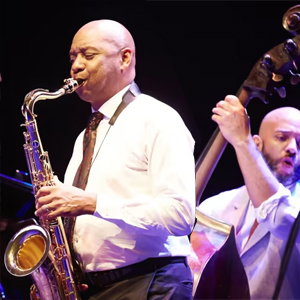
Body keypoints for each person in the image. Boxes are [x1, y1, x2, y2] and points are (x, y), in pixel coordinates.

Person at [34, 19, 195, 300]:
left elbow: (180, 216)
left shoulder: (158, 118)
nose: (76, 65)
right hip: (99, 288)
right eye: (73, 57)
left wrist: (90, 203)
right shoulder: (85, 135)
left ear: (125, 58)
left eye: (88, 55)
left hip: (151, 283)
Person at [197, 95, 300, 299]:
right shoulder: (217, 206)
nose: (292, 148)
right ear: (257, 144)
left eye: (299, 142)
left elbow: (278, 216)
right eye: (282, 137)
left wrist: (242, 142)